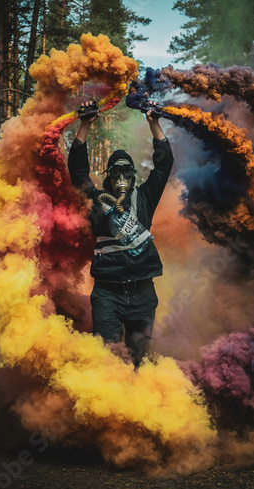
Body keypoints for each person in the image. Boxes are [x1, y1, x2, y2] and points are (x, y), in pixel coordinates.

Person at [68, 100, 174, 367]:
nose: (122, 177)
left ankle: (137, 406)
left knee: (140, 360)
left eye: (128, 170)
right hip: (107, 294)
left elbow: (163, 167)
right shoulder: (96, 201)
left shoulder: (145, 197)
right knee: (108, 361)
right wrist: (84, 125)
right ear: (109, 176)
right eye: (117, 171)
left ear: (134, 174)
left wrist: (154, 123)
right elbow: (78, 172)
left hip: (142, 292)